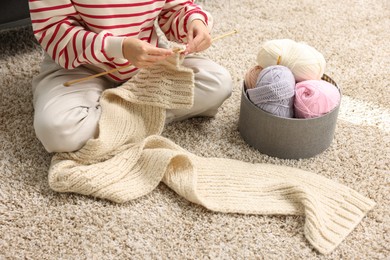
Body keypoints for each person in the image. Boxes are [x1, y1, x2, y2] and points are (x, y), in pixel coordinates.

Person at [28, 0, 233, 153]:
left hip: (148, 62)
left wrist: (194, 22)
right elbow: (54, 32)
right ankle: (142, 115)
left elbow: (174, 8)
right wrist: (119, 47)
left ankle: (113, 121)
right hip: (79, 65)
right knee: (56, 131)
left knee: (218, 83)